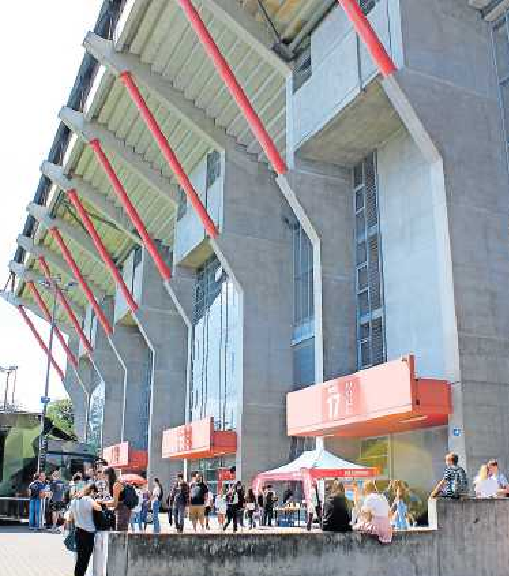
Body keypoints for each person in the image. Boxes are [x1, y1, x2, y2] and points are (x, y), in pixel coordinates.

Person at [67, 483, 103, 576]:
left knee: (80, 558)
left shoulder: (74, 501)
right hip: (88, 533)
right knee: (85, 559)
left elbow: (70, 518)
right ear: (91, 491)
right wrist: (97, 502)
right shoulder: (88, 499)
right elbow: (98, 508)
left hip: (78, 531)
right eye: (95, 493)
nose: (95, 495)